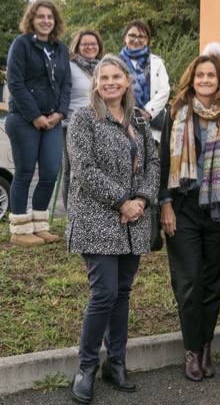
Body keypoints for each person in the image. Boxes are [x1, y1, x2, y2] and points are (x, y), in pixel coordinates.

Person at [66, 55, 159, 403]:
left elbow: (153, 163)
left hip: (133, 218)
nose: (110, 82)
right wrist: (122, 201)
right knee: (103, 293)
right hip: (96, 217)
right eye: (103, 77)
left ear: (127, 81)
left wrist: (142, 200)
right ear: (96, 82)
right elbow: (84, 169)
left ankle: (116, 362)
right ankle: (87, 367)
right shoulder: (83, 118)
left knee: (122, 293)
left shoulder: (138, 119)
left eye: (116, 76)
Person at [159, 55, 220, 381]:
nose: (206, 79)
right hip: (183, 208)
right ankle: (192, 350)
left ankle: (207, 345)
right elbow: (163, 161)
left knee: (214, 281)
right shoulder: (176, 112)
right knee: (190, 281)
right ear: (191, 79)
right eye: (200, 75)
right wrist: (165, 203)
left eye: (211, 75)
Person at [5, 0, 71, 246]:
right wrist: (35, 116)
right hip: (23, 119)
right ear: (32, 19)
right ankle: (20, 230)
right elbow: (16, 83)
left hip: (53, 121)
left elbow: (66, 84)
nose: (45, 21)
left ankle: (40, 225)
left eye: (50, 17)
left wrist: (60, 113)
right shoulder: (21, 45)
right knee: (23, 172)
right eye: (40, 16)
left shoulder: (61, 48)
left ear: (55, 22)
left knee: (50, 173)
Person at [61, 28, 105, 210]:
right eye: (85, 44)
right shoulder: (68, 66)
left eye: (93, 44)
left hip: (99, 124)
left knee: (97, 169)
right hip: (72, 125)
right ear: (77, 46)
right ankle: (71, 214)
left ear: (99, 46)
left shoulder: (104, 66)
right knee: (71, 170)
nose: (89, 47)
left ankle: (93, 211)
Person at [118, 20, 170, 141]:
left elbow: (164, 89)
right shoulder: (115, 62)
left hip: (152, 123)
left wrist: (147, 112)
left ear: (147, 40)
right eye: (132, 35)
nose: (136, 39)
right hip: (123, 122)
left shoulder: (157, 62)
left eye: (141, 36)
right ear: (125, 37)